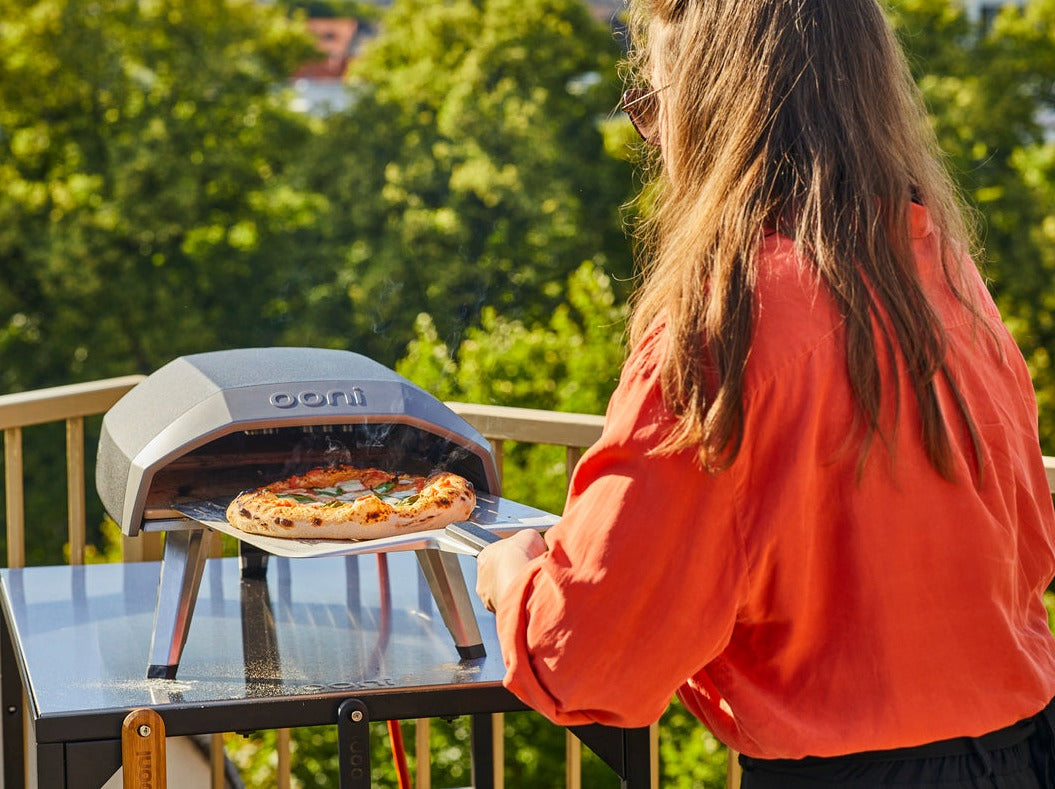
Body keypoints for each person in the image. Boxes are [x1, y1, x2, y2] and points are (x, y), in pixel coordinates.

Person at [474, 0, 1055, 786]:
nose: (657, 140)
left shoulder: (726, 325)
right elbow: (1027, 542)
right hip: (1023, 748)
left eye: (654, 104)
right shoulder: (941, 272)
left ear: (713, 108)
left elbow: (586, 656)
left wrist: (511, 574)